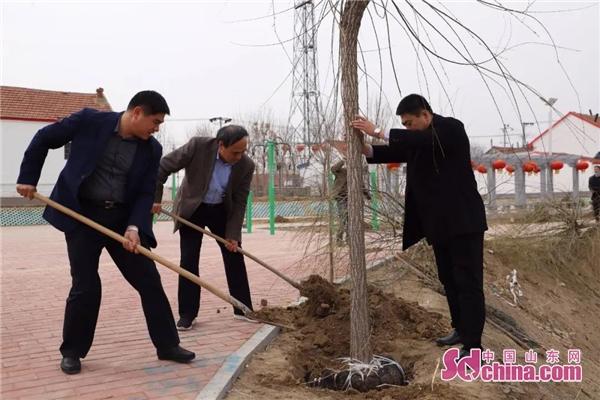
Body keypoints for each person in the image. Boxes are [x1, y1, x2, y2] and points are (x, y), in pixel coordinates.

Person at [16, 91, 195, 375]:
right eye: (156, 121)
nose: (157, 128)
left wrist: (135, 227)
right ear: (137, 112)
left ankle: (167, 346)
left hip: (122, 220)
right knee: (86, 284)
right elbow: (43, 139)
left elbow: (145, 192)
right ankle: (72, 351)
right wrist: (28, 177)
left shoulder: (152, 150)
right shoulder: (89, 121)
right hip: (82, 215)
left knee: (149, 279)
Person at [352, 94, 488, 358]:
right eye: (403, 124)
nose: (407, 128)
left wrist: (378, 131)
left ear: (425, 115)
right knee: (448, 279)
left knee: (468, 283)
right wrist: (364, 148)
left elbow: (420, 140)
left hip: (464, 223)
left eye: (410, 123)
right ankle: (460, 328)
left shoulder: (450, 129)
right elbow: (398, 149)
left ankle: (474, 347)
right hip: (439, 225)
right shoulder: (419, 139)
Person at [153, 125, 255, 330]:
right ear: (221, 145)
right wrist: (155, 199)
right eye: (235, 151)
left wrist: (233, 235)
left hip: (222, 211)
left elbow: (241, 200)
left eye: (243, 151)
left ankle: (243, 308)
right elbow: (162, 167)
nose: (239, 156)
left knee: (234, 255)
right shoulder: (198, 147)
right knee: (189, 259)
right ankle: (187, 314)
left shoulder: (246, 165)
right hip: (194, 208)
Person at [330, 159, 371, 244]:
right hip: (341, 197)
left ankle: (348, 239)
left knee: (350, 219)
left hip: (352, 199)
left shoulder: (357, 175)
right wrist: (343, 160)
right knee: (343, 218)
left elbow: (362, 186)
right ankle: (339, 239)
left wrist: (368, 196)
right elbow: (333, 169)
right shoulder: (342, 171)